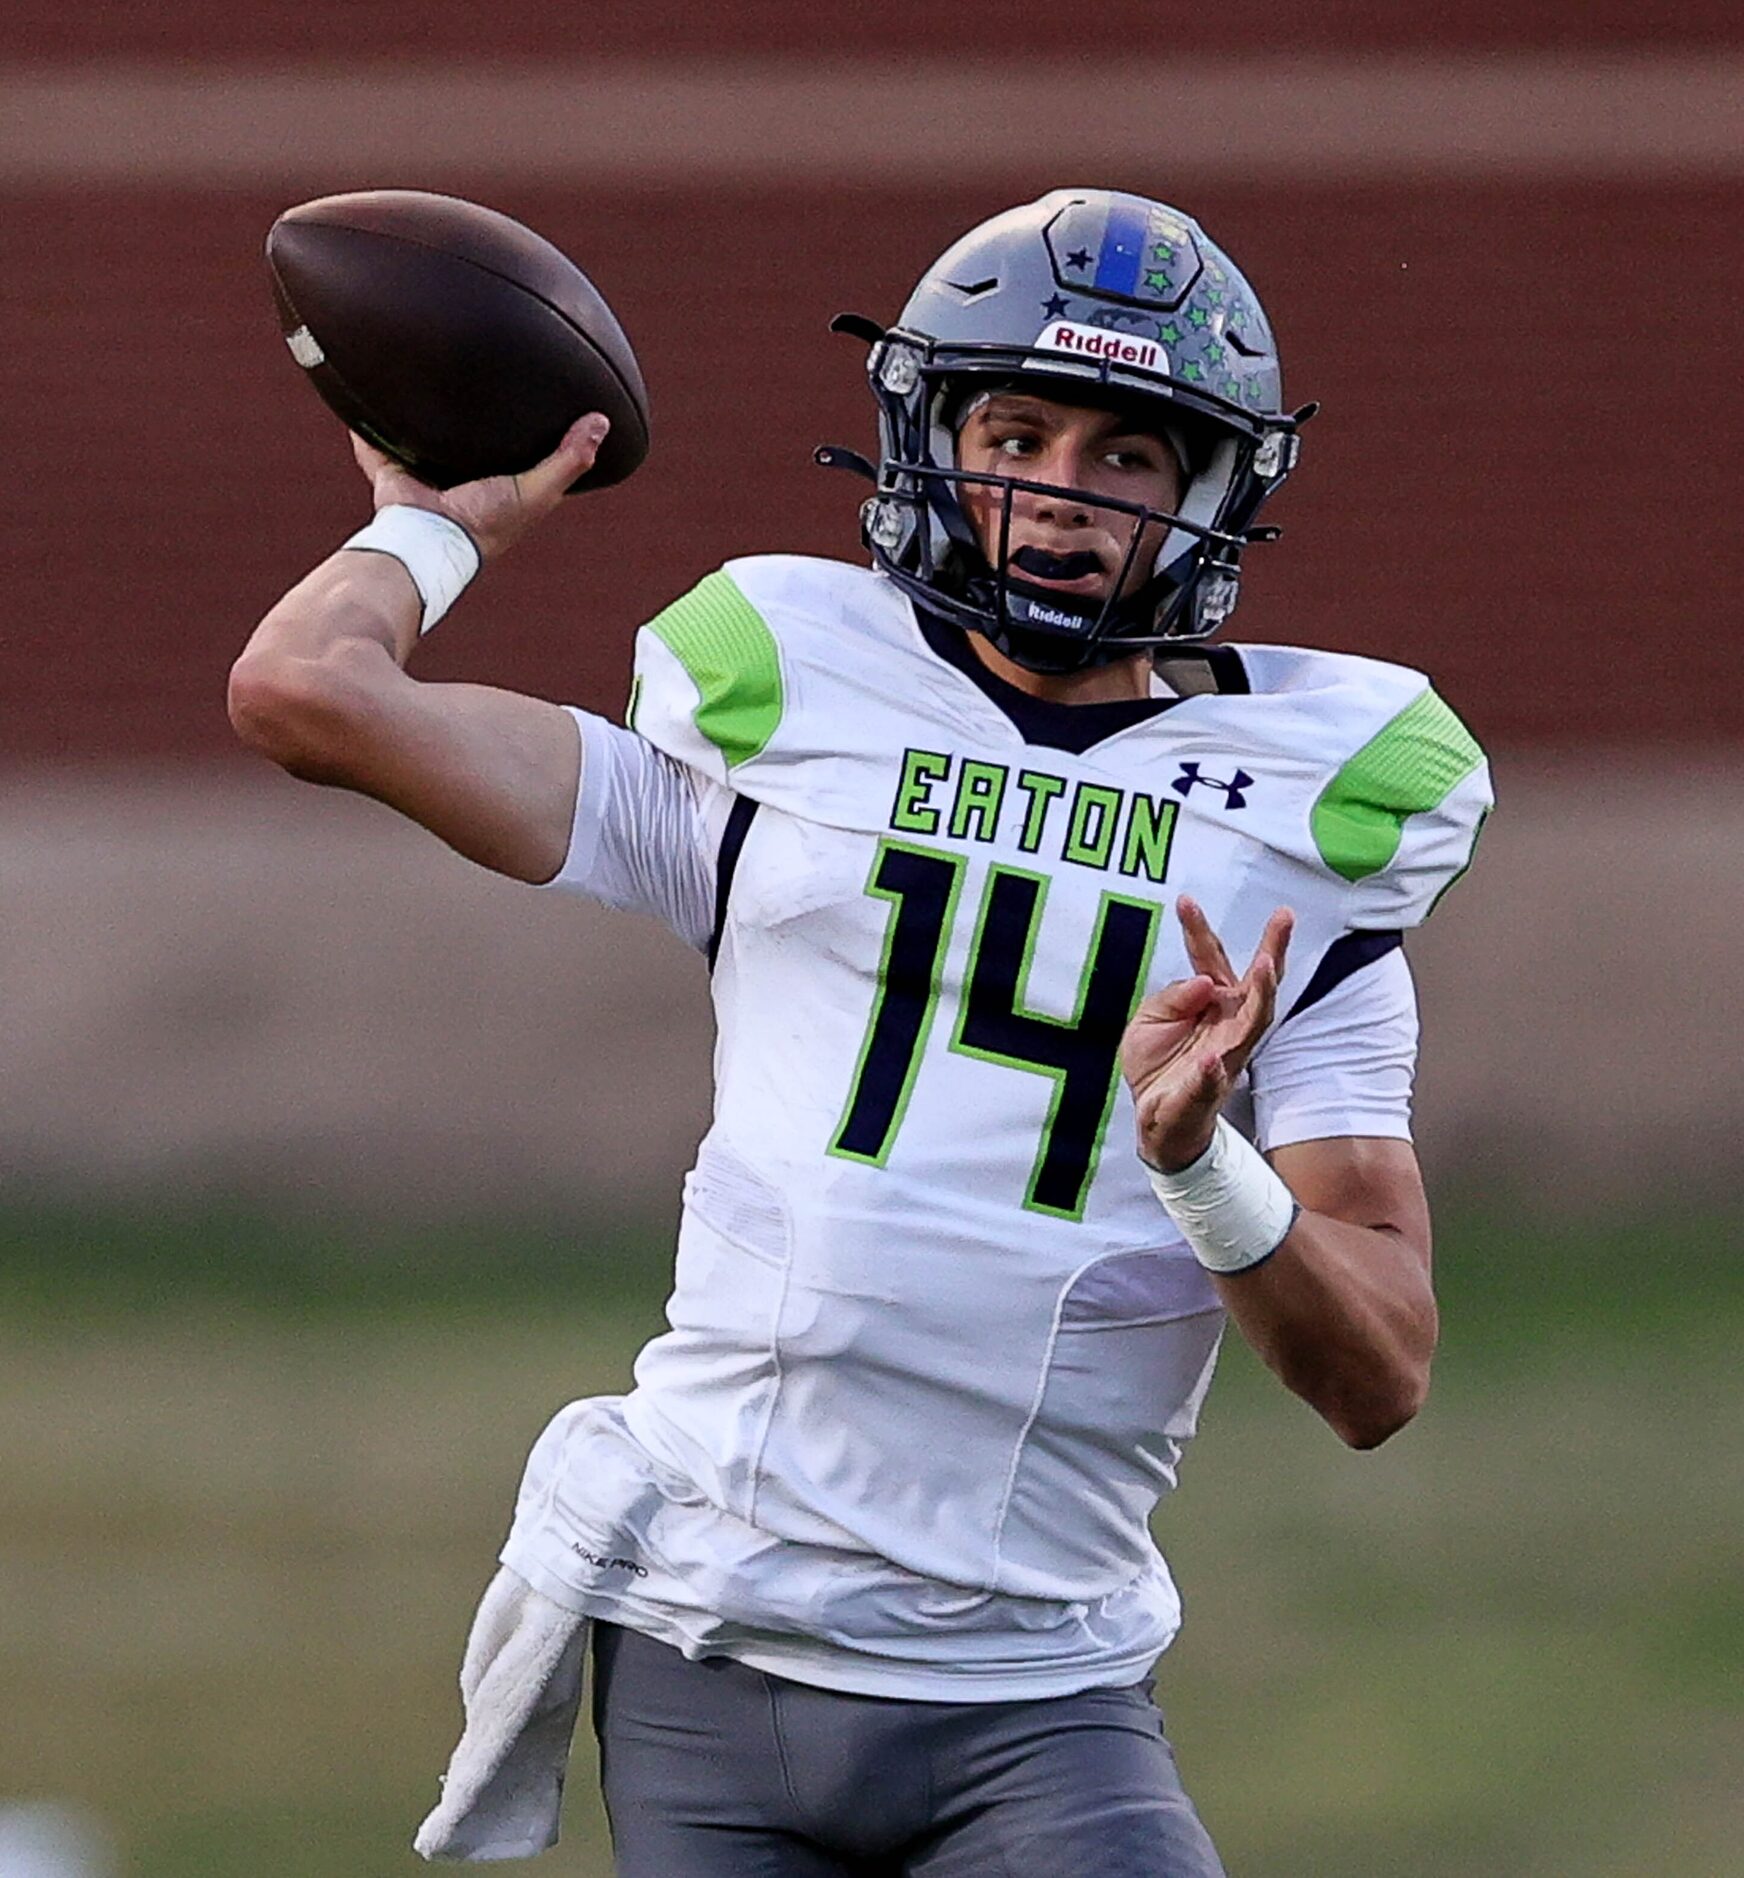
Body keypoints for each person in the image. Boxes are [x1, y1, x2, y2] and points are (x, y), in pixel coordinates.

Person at [229, 188, 1491, 1875]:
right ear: (928, 442)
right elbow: (307, 692)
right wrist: (443, 524)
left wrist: (1203, 1166)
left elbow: (1380, 1373)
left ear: (1208, 495)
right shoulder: (774, 742)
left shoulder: (1293, 854)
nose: (1057, 495)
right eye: (1017, 430)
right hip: (709, 1654)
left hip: (1043, 1694)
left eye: (1124, 454)